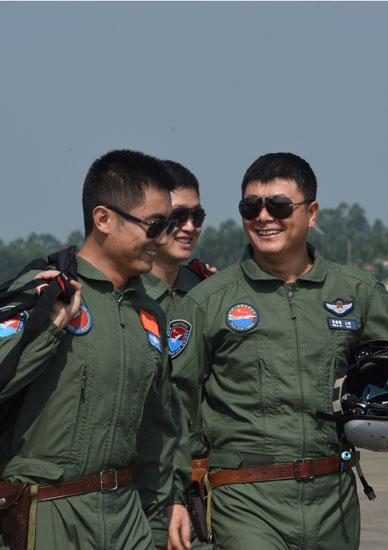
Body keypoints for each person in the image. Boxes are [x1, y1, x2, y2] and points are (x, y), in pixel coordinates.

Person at [169, 152, 388, 550]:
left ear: (311, 213)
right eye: (250, 207)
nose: (263, 217)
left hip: (335, 502)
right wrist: (175, 494)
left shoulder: (356, 292)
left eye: (278, 206)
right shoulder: (208, 301)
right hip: (246, 504)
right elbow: (173, 401)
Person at [0, 150, 191, 550]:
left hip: (125, 518)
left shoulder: (151, 315)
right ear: (103, 219)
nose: (164, 237)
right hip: (49, 515)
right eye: (154, 225)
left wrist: (160, 518)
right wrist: (50, 326)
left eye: (168, 224)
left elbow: (159, 432)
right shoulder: (46, 291)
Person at [141, 159, 214, 550]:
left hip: (205, 482)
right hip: (145, 487)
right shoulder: (125, 295)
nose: (189, 226)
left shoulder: (206, 292)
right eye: (177, 216)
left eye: (196, 215)